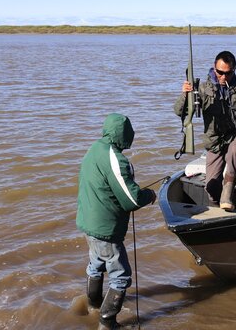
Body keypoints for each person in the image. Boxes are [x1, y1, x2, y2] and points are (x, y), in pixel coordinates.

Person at [76, 113, 156, 330]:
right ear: (124, 135)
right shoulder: (116, 159)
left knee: (96, 265)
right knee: (121, 276)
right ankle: (107, 322)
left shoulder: (95, 148)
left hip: (88, 222)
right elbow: (131, 200)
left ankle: (93, 306)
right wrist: (149, 195)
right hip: (105, 229)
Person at [175, 51, 236, 211]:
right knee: (211, 186)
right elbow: (180, 112)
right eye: (220, 72)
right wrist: (185, 95)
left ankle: (228, 194)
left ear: (234, 70)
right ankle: (220, 208)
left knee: (234, 152)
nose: (223, 77)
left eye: (228, 73)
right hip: (215, 140)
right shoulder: (202, 89)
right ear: (214, 68)